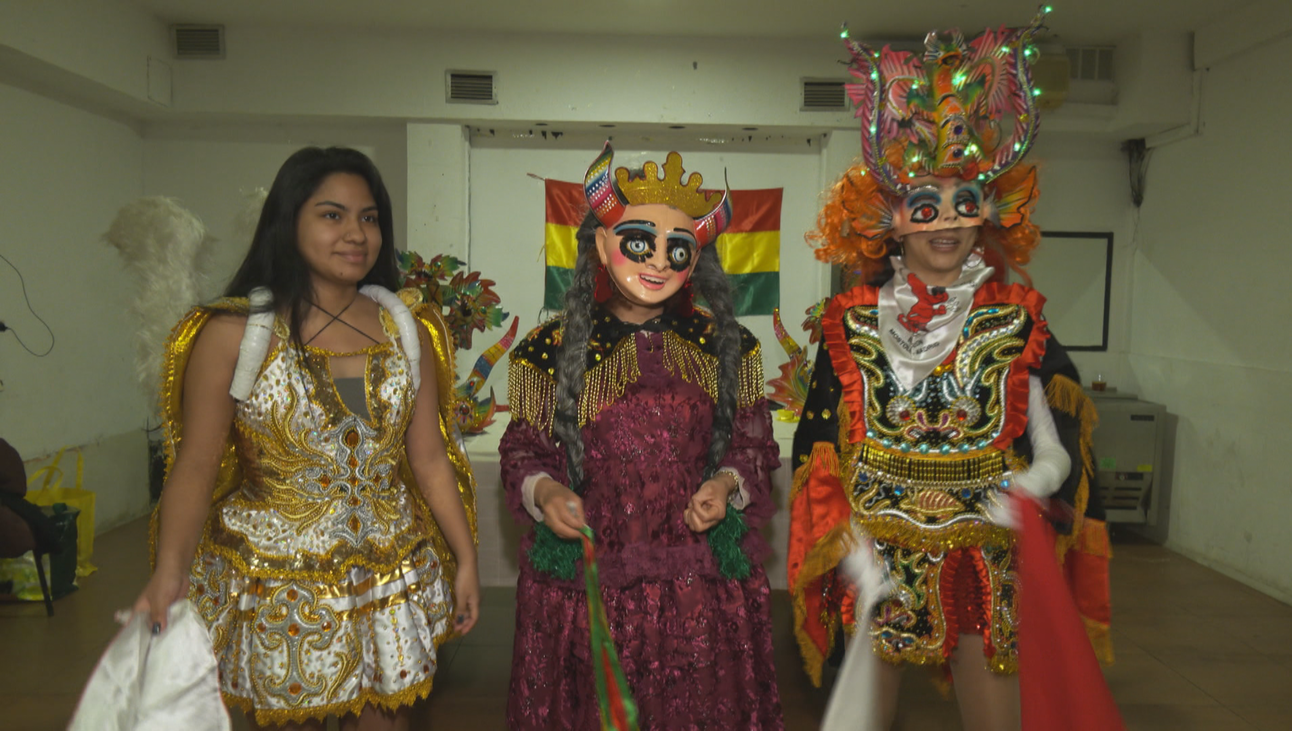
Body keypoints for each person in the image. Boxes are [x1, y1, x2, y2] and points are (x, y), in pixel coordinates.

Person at [788, 8, 1118, 730]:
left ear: (988, 213)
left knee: (993, 711)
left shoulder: (1016, 316)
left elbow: (1055, 437)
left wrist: (1034, 481)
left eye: (962, 202)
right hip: (878, 541)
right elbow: (821, 455)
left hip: (980, 546)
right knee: (864, 714)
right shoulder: (847, 322)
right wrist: (849, 549)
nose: (944, 219)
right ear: (890, 218)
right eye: (923, 203)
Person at [132, 146, 480, 731]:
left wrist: (466, 559)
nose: (356, 234)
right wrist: (169, 572)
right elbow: (193, 467)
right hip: (278, 586)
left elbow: (428, 460)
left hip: (389, 577)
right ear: (287, 221)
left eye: (369, 218)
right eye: (331, 215)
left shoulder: (409, 329)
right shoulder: (234, 335)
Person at [499, 144, 783, 729]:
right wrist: (546, 494)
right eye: (638, 243)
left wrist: (726, 485)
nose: (657, 261)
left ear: (694, 261)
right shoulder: (549, 354)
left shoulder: (726, 348)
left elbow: (751, 447)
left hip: (696, 589)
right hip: (590, 586)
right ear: (603, 246)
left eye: (676, 249)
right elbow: (523, 451)